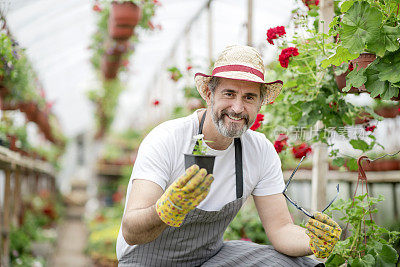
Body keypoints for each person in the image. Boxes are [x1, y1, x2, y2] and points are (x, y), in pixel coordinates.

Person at [116, 45, 341, 266]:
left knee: (294, 264)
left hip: (208, 258)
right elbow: (131, 230)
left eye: (250, 97)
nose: (237, 107)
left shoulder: (259, 150)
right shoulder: (167, 139)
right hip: (147, 261)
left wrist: (313, 240)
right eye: (229, 94)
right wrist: (163, 211)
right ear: (208, 93)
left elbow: (281, 229)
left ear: (261, 103)